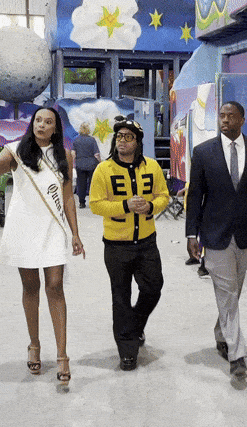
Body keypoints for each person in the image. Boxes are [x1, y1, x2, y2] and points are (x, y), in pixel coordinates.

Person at [0, 107, 85, 384]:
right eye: (38, 120)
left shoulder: (65, 156)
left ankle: (62, 354)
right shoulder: (16, 151)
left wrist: (75, 233)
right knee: (30, 287)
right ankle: (34, 344)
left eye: (48, 122)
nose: (41, 125)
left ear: (55, 128)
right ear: (32, 123)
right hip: (23, 227)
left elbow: (68, 197)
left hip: (52, 227)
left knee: (55, 286)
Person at [186, 101, 247, 379]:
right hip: (215, 235)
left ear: (242, 119)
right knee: (227, 292)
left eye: (231, 116)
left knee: (232, 292)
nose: (225, 120)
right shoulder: (203, 152)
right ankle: (237, 355)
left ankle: (221, 333)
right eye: (222, 116)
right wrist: (191, 234)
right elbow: (195, 196)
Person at [89, 116, 169, 371]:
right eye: (119, 136)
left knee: (153, 288)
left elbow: (164, 196)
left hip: (147, 243)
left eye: (128, 137)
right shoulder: (104, 170)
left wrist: (151, 206)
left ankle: (135, 325)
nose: (122, 141)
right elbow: (95, 204)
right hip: (116, 246)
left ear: (138, 142)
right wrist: (125, 205)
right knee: (121, 297)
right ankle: (127, 350)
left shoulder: (152, 167)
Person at [71, 122, 101, 208]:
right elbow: (96, 154)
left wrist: (73, 163)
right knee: (93, 184)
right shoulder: (92, 140)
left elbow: (73, 153)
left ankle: (82, 203)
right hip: (92, 165)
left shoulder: (76, 140)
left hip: (80, 165)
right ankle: (93, 202)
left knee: (81, 184)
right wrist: (100, 162)